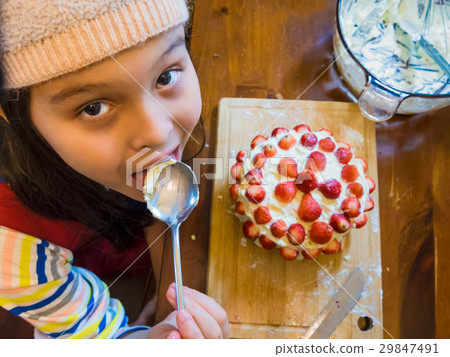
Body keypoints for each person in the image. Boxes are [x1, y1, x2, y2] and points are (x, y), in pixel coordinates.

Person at [0, 0, 228, 339]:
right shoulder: (14, 252)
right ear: (12, 114)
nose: (157, 131)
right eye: (94, 108)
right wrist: (146, 340)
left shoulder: (131, 154)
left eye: (165, 76)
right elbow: (94, 334)